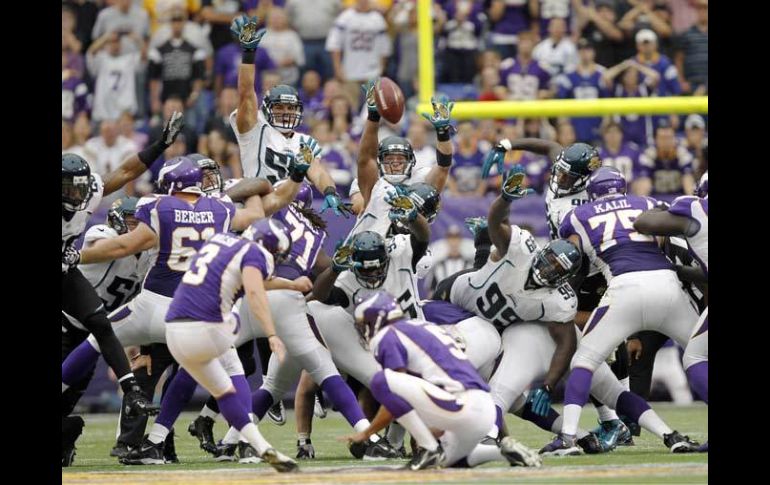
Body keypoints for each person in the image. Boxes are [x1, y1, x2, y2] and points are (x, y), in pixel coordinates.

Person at [544, 167, 700, 454]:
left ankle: (567, 437)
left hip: (624, 286)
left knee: (583, 362)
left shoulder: (577, 216)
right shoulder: (649, 203)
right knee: (701, 355)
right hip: (668, 285)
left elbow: (575, 260)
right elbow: (669, 242)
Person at [61, 112, 184, 465]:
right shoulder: (104, 236)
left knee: (100, 323)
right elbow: (110, 247)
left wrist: (159, 145)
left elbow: (126, 173)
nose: (78, 194)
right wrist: (77, 253)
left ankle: (130, 390)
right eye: (70, 188)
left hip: (75, 295)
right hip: (65, 313)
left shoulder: (88, 195)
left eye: (81, 188)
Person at [342, 290, 543, 470]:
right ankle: (502, 452)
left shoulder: (388, 335)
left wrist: (367, 432)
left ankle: (429, 449)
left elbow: (394, 392)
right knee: (451, 462)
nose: (362, 329)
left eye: (363, 323)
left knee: (380, 381)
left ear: (376, 319)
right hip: (482, 407)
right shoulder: (420, 326)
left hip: (460, 405)